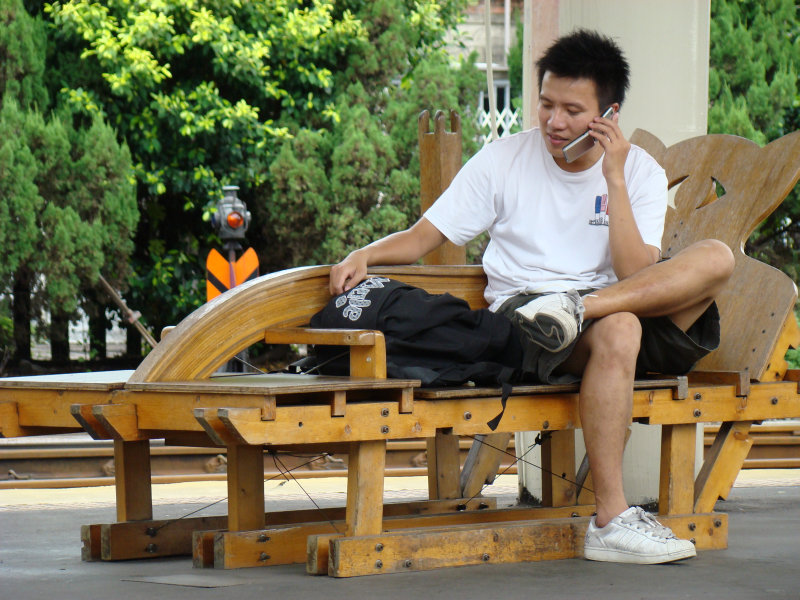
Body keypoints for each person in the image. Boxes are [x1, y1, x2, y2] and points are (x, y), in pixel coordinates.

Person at [329, 29, 734, 564]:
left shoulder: (638, 172)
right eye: (546, 104)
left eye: (572, 109)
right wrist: (367, 253)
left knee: (717, 258)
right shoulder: (505, 159)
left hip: (606, 303)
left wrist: (612, 180)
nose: (554, 122)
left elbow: (637, 270)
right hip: (529, 316)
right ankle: (611, 520)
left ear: (607, 114)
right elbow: (428, 235)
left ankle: (580, 309)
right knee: (623, 326)